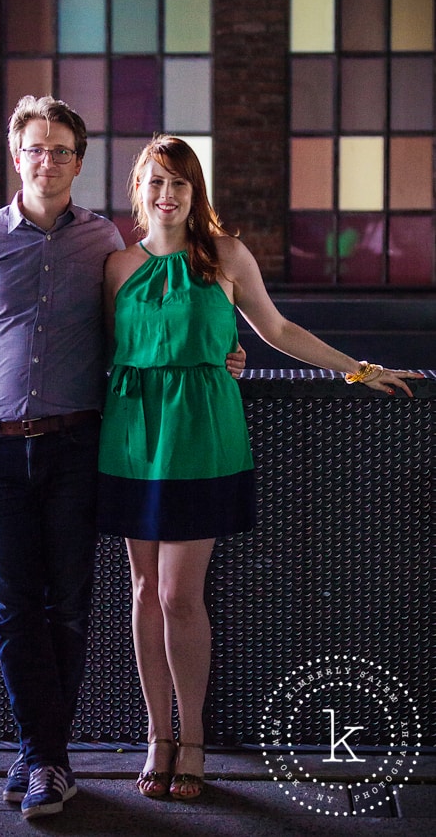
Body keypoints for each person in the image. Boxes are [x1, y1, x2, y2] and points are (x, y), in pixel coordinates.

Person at [0, 97, 246, 820]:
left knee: (69, 606)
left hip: (80, 446)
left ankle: (49, 759)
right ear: (18, 157)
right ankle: (41, 755)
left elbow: (143, 327)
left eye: (62, 150)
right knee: (13, 608)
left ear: (79, 161)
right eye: (36, 148)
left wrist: (221, 347)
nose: (49, 161)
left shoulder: (103, 241)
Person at [96, 134, 424, 803]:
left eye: (180, 183)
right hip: (132, 436)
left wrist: (359, 370)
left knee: (177, 595)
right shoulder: (116, 266)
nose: (167, 194)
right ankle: (158, 736)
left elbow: (277, 330)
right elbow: (111, 349)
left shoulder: (226, 256)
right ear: (139, 190)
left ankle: (194, 740)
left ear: (196, 192)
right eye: (156, 182)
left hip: (201, 436)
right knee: (140, 592)